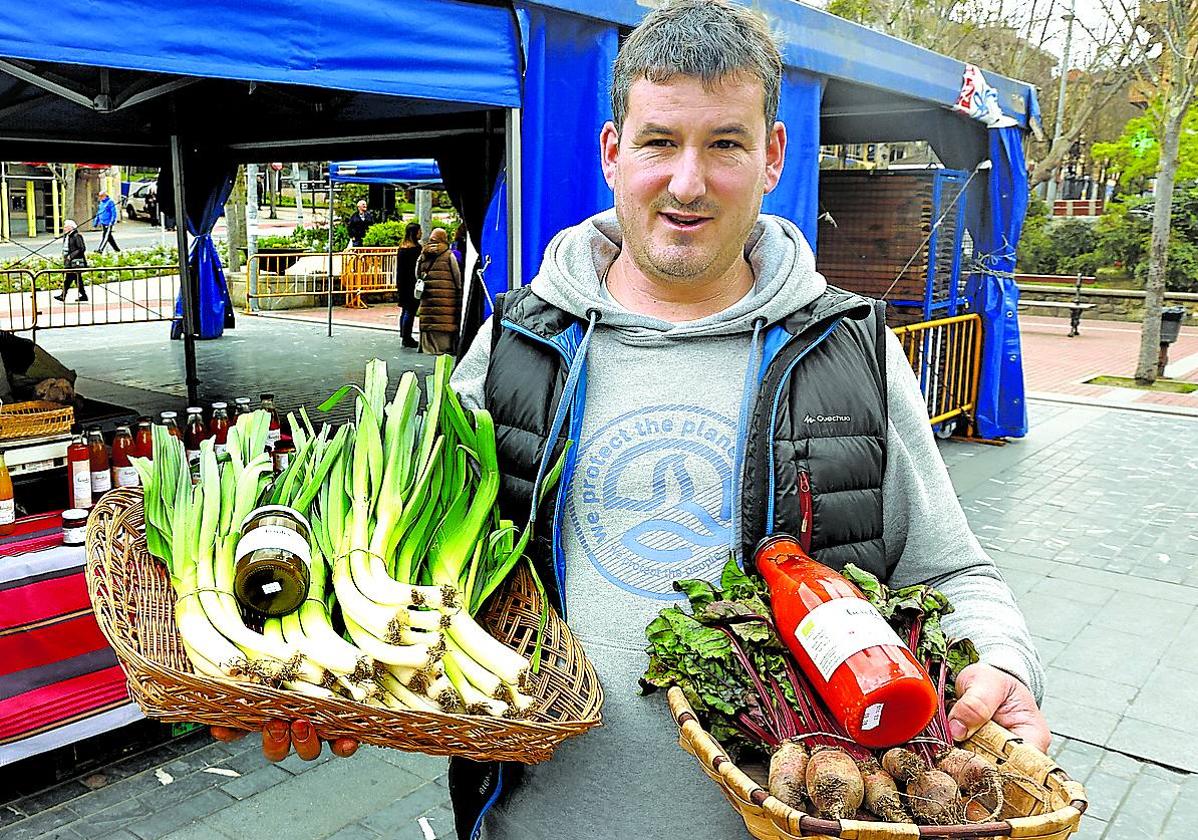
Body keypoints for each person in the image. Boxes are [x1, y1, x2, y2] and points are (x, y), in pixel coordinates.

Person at [219, 4, 1049, 838]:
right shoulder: (517, 342)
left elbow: (950, 574)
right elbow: (403, 555)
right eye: (660, 142)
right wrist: (309, 668)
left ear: (773, 157)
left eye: (725, 142)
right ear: (613, 152)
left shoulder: (849, 350)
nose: (688, 182)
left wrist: (1003, 663)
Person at [415, 227, 462, 354]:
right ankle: (444, 347)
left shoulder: (423, 254)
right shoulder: (448, 254)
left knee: (430, 319)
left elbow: (417, 273)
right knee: (444, 320)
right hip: (446, 296)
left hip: (428, 296)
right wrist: (459, 289)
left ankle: (427, 347)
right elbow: (456, 275)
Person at [396, 222, 422, 348]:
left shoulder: (402, 248)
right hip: (412, 282)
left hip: (402, 282)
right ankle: (407, 337)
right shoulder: (416, 249)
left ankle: (403, 334)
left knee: (405, 310)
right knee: (410, 310)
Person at [54, 219, 88, 303]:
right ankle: (83, 295)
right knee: (77, 279)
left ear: (71, 228)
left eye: (66, 227)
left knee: (69, 279)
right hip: (69, 261)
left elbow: (82, 248)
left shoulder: (77, 236)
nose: (64, 228)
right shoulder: (67, 236)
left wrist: (71, 256)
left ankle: (63, 295)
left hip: (75, 262)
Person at [94, 188, 120, 253]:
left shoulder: (110, 202)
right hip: (103, 222)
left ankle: (100, 249)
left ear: (105, 196)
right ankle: (117, 249)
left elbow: (113, 212)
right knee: (109, 237)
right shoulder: (101, 203)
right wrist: (96, 221)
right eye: (99, 196)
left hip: (108, 223)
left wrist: (112, 221)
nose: (100, 198)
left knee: (105, 236)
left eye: (101, 196)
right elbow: (99, 212)